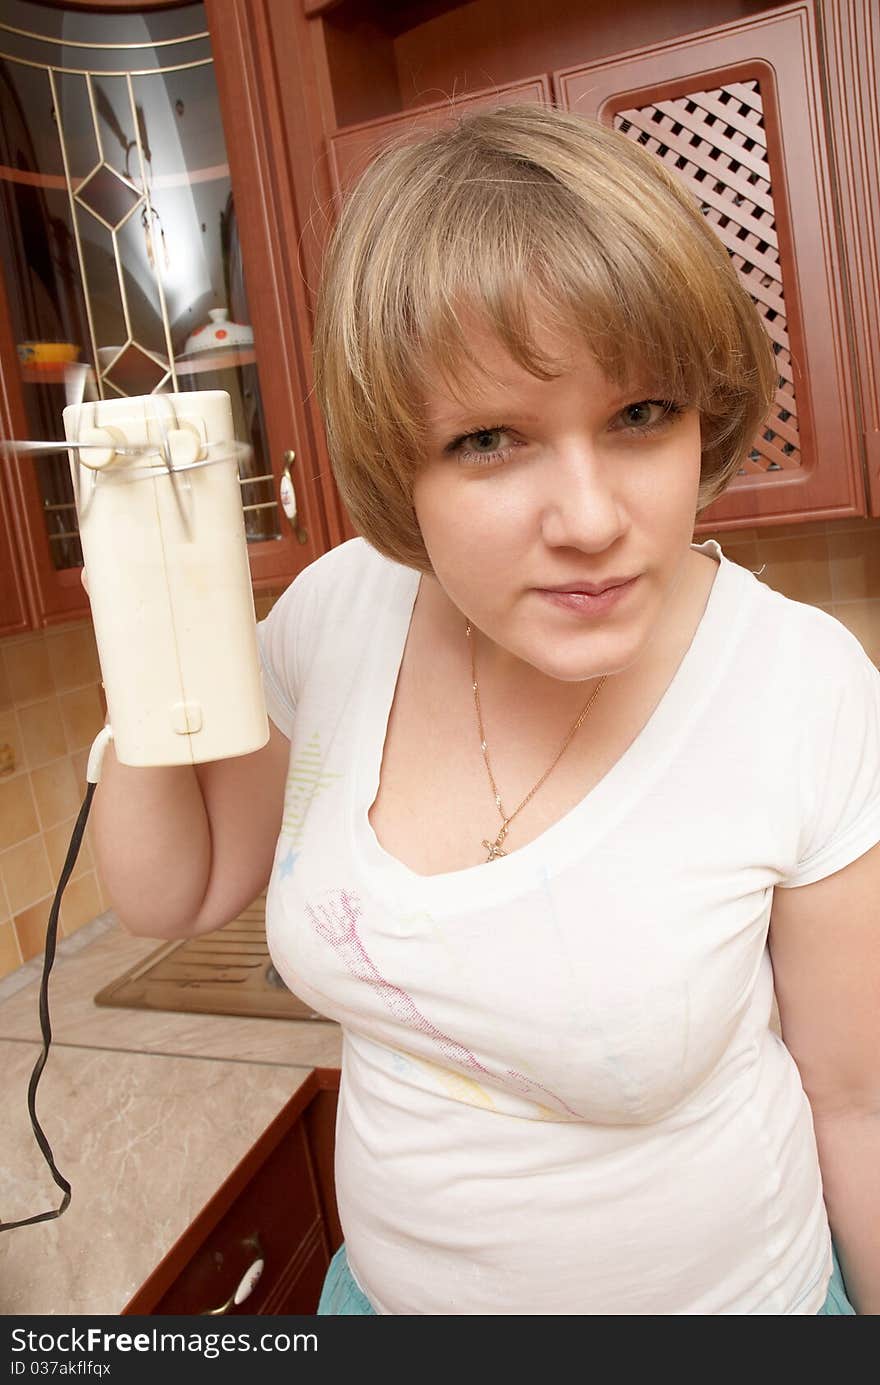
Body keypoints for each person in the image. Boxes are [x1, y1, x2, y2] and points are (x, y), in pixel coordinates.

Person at [88, 104, 878, 1315]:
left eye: (639, 414)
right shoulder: (338, 611)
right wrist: (145, 632)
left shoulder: (801, 685)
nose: (590, 517)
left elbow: (855, 1099)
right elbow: (176, 891)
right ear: (395, 462)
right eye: (489, 438)